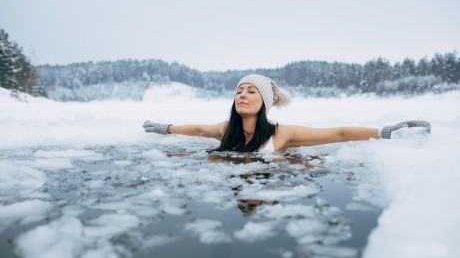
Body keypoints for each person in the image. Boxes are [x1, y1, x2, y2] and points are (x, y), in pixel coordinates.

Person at [143, 74, 431, 152]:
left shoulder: (281, 135)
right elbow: (197, 129)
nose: (242, 95)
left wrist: (384, 132)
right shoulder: (225, 130)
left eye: (251, 91)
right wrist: (165, 127)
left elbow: (337, 133)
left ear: (265, 102)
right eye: (239, 91)